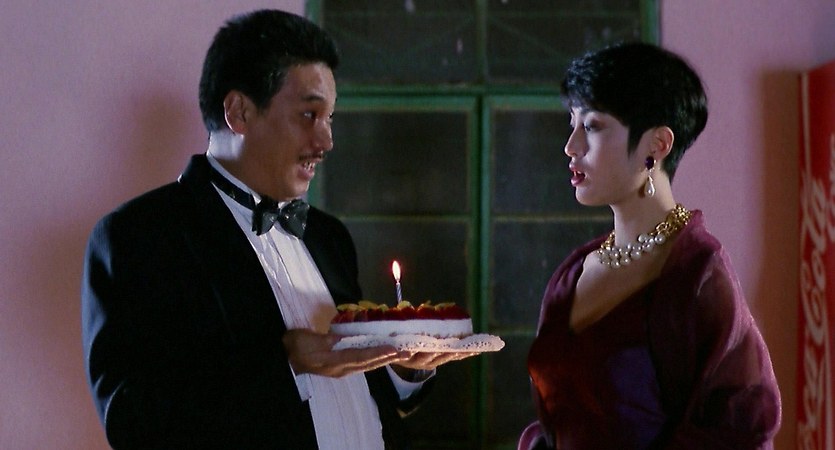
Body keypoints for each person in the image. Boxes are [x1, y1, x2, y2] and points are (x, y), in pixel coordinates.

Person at [82, 9, 473, 449]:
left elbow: (364, 394)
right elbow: (134, 424)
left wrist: (405, 368)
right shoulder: (139, 237)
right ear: (239, 112)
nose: (326, 142)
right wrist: (285, 364)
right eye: (309, 115)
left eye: (330, 119)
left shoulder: (329, 237)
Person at [517, 42, 781, 449]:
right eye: (572, 122)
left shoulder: (696, 274)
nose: (571, 146)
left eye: (592, 126)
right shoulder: (571, 276)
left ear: (656, 145)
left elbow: (741, 431)